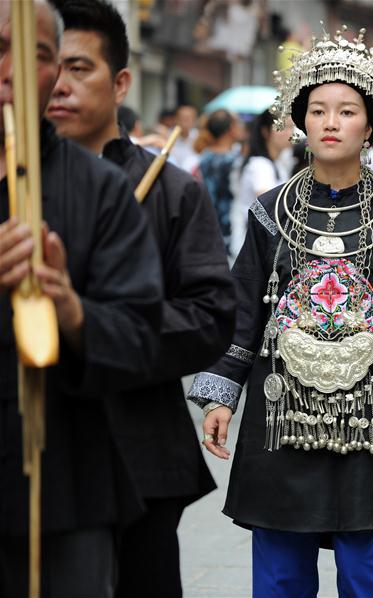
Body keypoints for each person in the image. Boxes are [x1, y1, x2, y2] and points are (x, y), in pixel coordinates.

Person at [187, 26, 373, 597]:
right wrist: (222, 393)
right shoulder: (271, 211)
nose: (331, 122)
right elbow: (244, 307)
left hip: (371, 419)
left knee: (364, 567)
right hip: (281, 417)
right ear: (301, 121)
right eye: (318, 110)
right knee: (279, 566)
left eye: (346, 111)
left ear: (371, 126)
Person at [47, 1, 237, 595]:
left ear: (120, 81)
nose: (59, 84)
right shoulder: (17, 182)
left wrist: (99, 322)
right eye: (50, 65)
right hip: (37, 444)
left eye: (80, 67)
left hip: (137, 450)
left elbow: (210, 315)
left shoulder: (173, 192)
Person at [0, 2, 165, 596]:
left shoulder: (100, 189)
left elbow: (144, 340)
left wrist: (71, 308)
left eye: (36, 54)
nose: (13, 69)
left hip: (67, 483)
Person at [229, 108, 292, 258]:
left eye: (292, 127)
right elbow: (272, 206)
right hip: (251, 250)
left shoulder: (277, 163)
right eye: (284, 127)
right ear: (266, 132)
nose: (291, 133)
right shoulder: (260, 166)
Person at [197, 108, 241, 248]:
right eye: (236, 124)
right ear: (230, 129)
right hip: (230, 226)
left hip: (206, 223)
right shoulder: (234, 160)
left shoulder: (203, 156)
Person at [169, 103, 199, 173]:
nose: (185, 121)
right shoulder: (168, 137)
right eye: (182, 118)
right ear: (176, 119)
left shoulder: (198, 137)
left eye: (188, 118)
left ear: (194, 120)